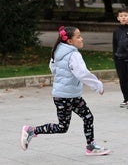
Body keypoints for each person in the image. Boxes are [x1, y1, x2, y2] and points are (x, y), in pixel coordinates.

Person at [20, 26, 110, 156]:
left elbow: (53, 68)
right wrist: (97, 85)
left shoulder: (57, 51)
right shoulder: (73, 55)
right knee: (62, 127)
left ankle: (91, 147)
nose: (81, 38)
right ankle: (32, 130)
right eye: (78, 37)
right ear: (69, 41)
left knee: (88, 117)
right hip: (64, 96)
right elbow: (82, 73)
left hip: (71, 95)